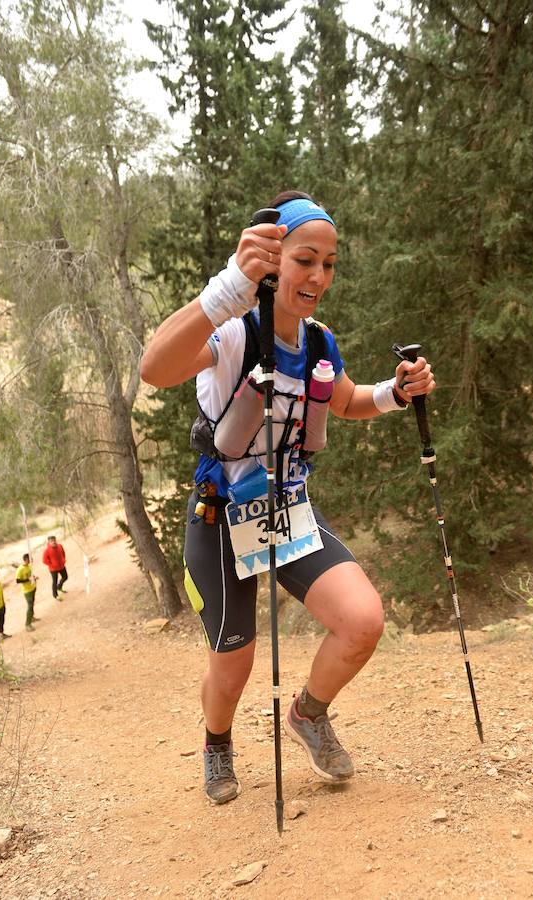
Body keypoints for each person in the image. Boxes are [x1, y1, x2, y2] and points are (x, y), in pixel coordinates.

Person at [140, 191, 436, 806]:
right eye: (307, 260)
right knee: (234, 664)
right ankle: (217, 742)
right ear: (274, 261)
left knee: (362, 621)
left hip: (286, 507)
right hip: (221, 514)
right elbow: (155, 367)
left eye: (329, 263)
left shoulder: (319, 341)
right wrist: (227, 288)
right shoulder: (230, 331)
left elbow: (346, 401)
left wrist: (396, 392)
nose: (320, 276)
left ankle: (307, 713)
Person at [15, 553, 38, 631]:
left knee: (32, 604)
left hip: (33, 587)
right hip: (27, 590)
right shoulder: (20, 569)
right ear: (26, 559)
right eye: (30, 558)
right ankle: (27, 624)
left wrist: (34, 578)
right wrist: (28, 580)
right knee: (30, 605)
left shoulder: (29, 566)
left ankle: (32, 617)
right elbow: (17, 580)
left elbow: (30, 576)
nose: (32, 559)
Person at [42, 535, 68, 600]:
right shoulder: (47, 550)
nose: (53, 542)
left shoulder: (60, 546)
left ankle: (59, 587)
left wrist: (63, 560)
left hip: (61, 566)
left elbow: (63, 553)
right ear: (49, 542)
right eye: (51, 541)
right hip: (53, 569)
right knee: (54, 582)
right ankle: (55, 595)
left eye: (54, 540)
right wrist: (52, 565)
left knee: (65, 577)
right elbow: (44, 560)